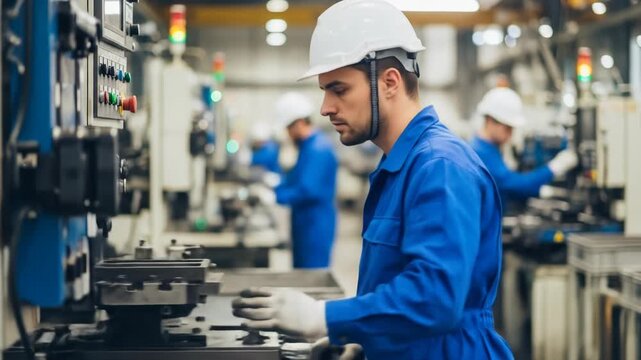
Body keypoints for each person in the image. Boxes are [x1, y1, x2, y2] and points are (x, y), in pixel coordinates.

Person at [232, 1, 514, 358]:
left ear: (390, 82)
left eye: (339, 89)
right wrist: (364, 339)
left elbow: (436, 298)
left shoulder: (440, 166)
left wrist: (325, 317)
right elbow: (397, 283)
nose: (325, 107)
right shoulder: (399, 166)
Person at [470, 87, 578, 207]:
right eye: (508, 128)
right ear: (491, 120)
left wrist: (539, 191)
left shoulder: (488, 148)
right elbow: (512, 184)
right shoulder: (482, 153)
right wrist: (553, 168)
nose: (510, 134)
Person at [272, 92, 338, 268]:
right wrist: (276, 187)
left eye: (288, 128)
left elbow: (307, 190)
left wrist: (276, 196)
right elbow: (296, 180)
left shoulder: (318, 149)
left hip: (314, 225)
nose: (287, 133)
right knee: (302, 273)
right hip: (305, 221)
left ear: (299, 123)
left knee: (311, 276)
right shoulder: (307, 147)